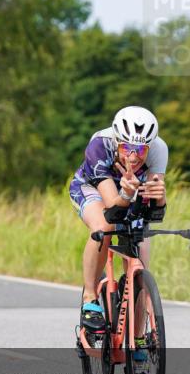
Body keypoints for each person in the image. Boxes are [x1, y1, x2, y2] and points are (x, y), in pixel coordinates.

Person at [68, 106, 168, 340]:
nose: (132, 157)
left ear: (150, 146)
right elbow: (112, 207)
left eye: (141, 150)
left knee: (141, 249)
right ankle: (90, 299)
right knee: (104, 228)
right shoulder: (99, 145)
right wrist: (125, 194)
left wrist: (160, 197)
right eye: (126, 148)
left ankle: (139, 338)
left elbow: (155, 213)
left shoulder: (159, 149)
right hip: (92, 188)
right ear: (117, 139)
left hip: (128, 190)